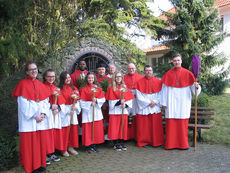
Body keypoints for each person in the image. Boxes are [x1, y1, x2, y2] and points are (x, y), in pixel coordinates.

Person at [12, 61, 50, 173]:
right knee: (29, 145)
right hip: (29, 121)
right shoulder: (22, 85)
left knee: (39, 143)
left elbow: (45, 102)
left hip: (40, 120)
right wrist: (35, 116)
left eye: (35, 69)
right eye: (31, 69)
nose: (34, 71)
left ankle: (39, 164)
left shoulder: (41, 85)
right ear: (27, 72)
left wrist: (43, 114)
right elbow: (23, 105)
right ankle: (31, 166)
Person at [161, 54, 201, 150]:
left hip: (183, 103)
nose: (176, 62)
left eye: (178, 60)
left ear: (181, 61)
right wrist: (163, 102)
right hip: (171, 103)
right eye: (175, 60)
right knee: (171, 124)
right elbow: (164, 90)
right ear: (172, 62)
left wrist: (197, 87)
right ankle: (170, 144)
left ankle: (183, 145)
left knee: (182, 123)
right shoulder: (168, 74)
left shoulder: (188, 74)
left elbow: (194, 89)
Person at [135, 65, 164, 147]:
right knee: (144, 127)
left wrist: (154, 101)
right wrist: (148, 103)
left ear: (152, 71)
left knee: (155, 127)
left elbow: (161, 94)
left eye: (150, 70)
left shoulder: (158, 82)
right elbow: (139, 96)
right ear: (144, 71)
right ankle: (144, 141)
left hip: (155, 107)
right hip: (145, 107)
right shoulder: (139, 82)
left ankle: (156, 142)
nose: (148, 72)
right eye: (147, 70)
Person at [106, 72, 134, 151]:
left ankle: (121, 142)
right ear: (114, 78)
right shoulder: (111, 88)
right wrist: (119, 102)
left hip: (123, 110)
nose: (118, 78)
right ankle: (116, 143)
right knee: (115, 128)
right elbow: (111, 102)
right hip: (115, 111)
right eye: (117, 76)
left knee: (122, 127)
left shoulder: (124, 87)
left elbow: (130, 99)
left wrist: (126, 104)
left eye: (120, 76)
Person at [43, 69, 66, 164]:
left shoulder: (56, 89)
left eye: (53, 76)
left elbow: (62, 102)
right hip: (46, 116)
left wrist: (59, 108)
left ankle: (52, 153)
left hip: (55, 115)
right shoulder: (42, 87)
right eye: (49, 76)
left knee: (53, 134)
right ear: (45, 77)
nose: (51, 78)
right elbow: (40, 103)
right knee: (46, 135)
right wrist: (50, 106)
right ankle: (45, 154)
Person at [79, 72, 106, 153]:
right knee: (88, 128)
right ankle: (88, 145)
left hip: (96, 111)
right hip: (88, 111)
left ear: (94, 79)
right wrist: (90, 103)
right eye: (89, 78)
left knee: (96, 128)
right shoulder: (83, 89)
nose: (90, 79)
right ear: (86, 79)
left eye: (92, 78)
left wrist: (97, 101)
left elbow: (103, 99)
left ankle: (94, 144)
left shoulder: (98, 88)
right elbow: (81, 101)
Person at [59, 71, 81, 156]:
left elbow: (78, 100)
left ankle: (71, 147)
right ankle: (63, 149)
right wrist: (68, 111)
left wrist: (75, 107)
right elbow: (60, 103)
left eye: (69, 77)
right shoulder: (59, 89)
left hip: (73, 111)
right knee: (65, 130)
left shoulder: (74, 88)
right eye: (66, 78)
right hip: (65, 113)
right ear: (62, 79)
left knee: (73, 130)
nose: (68, 79)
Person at [124, 63, 143, 140]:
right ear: (127, 69)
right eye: (129, 68)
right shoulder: (123, 78)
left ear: (135, 69)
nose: (131, 70)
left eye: (133, 68)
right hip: (127, 100)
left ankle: (136, 135)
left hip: (136, 100)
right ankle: (126, 136)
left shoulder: (140, 77)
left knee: (136, 116)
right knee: (126, 116)